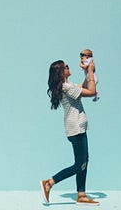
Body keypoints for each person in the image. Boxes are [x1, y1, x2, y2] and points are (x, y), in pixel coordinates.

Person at [40, 60, 99, 206]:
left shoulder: (68, 86)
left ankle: (81, 195)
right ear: (61, 72)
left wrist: (87, 71)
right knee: (80, 164)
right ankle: (49, 182)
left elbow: (85, 86)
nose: (68, 67)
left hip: (78, 127)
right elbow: (91, 92)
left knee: (84, 161)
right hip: (76, 128)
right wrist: (91, 72)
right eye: (66, 66)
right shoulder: (66, 87)